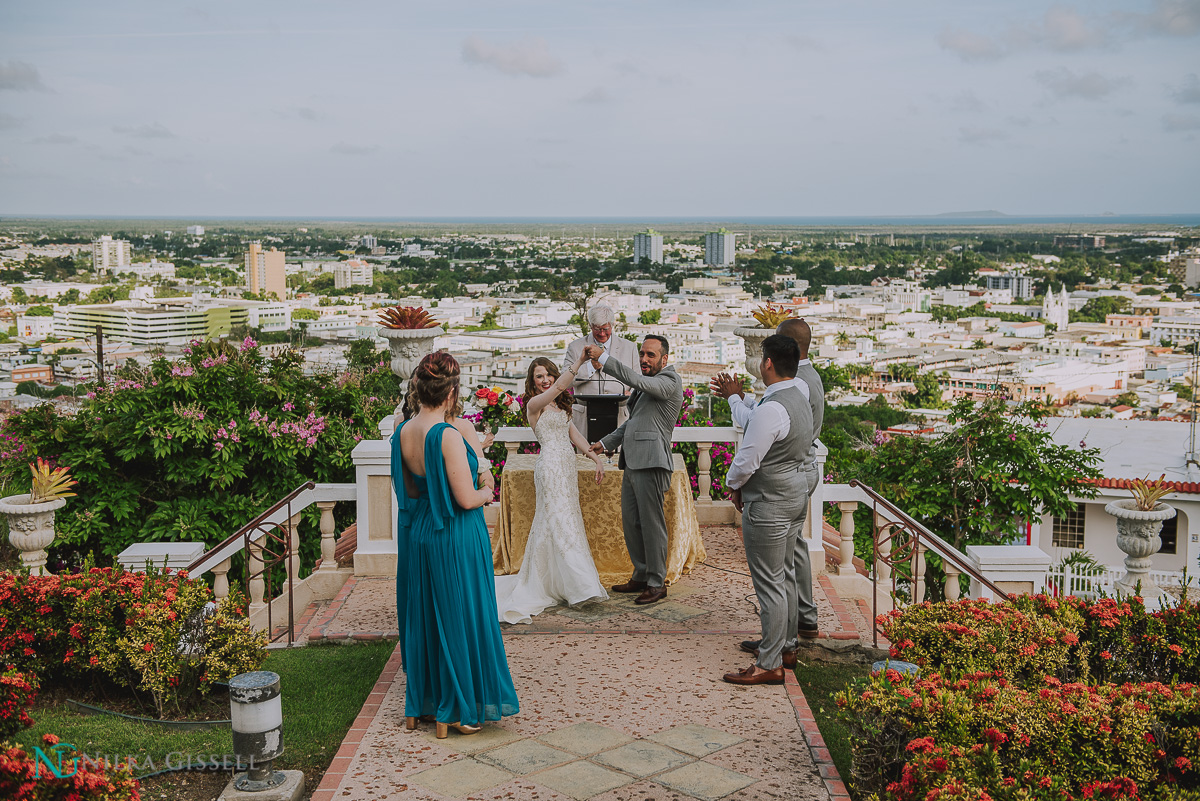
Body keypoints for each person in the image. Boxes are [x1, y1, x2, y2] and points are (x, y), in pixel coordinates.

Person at [392, 352, 518, 738]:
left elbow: (412, 491)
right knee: (463, 617)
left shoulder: (403, 430)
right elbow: (466, 499)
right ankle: (459, 709)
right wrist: (488, 488)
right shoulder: (446, 435)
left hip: (424, 532)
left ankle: (426, 704)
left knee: (430, 618)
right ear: (451, 391)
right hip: (457, 534)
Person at [711, 318, 825, 655]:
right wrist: (741, 401)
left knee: (771, 581)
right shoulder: (799, 388)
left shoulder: (780, 401)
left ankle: (772, 658)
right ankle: (785, 643)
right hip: (792, 489)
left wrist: (734, 486)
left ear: (768, 362)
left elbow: (748, 457)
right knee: (784, 572)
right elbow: (763, 421)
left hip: (774, 495)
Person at [494, 354, 608, 624]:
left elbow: (574, 435)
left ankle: (561, 582)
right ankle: (580, 584)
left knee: (564, 520)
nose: (546, 380)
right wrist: (579, 361)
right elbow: (560, 387)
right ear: (532, 383)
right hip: (549, 468)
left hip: (566, 469)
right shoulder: (535, 404)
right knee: (558, 521)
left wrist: (595, 458)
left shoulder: (558, 405)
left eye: (548, 375)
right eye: (539, 376)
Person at [587, 335, 683, 606]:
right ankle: (641, 574)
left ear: (665, 359)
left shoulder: (669, 381)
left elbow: (636, 380)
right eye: (642, 354)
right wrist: (606, 442)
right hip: (632, 462)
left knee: (652, 526)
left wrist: (603, 358)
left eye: (651, 355)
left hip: (652, 463)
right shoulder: (647, 387)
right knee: (632, 523)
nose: (644, 359)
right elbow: (634, 424)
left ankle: (656, 582)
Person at [563, 303, 640, 441]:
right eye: (597, 329)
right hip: (585, 420)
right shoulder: (575, 347)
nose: (602, 333)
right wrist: (590, 367)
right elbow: (564, 381)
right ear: (591, 325)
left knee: (618, 461)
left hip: (620, 418)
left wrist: (632, 393)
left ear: (612, 325)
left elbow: (638, 381)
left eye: (605, 329)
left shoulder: (630, 347)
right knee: (586, 461)